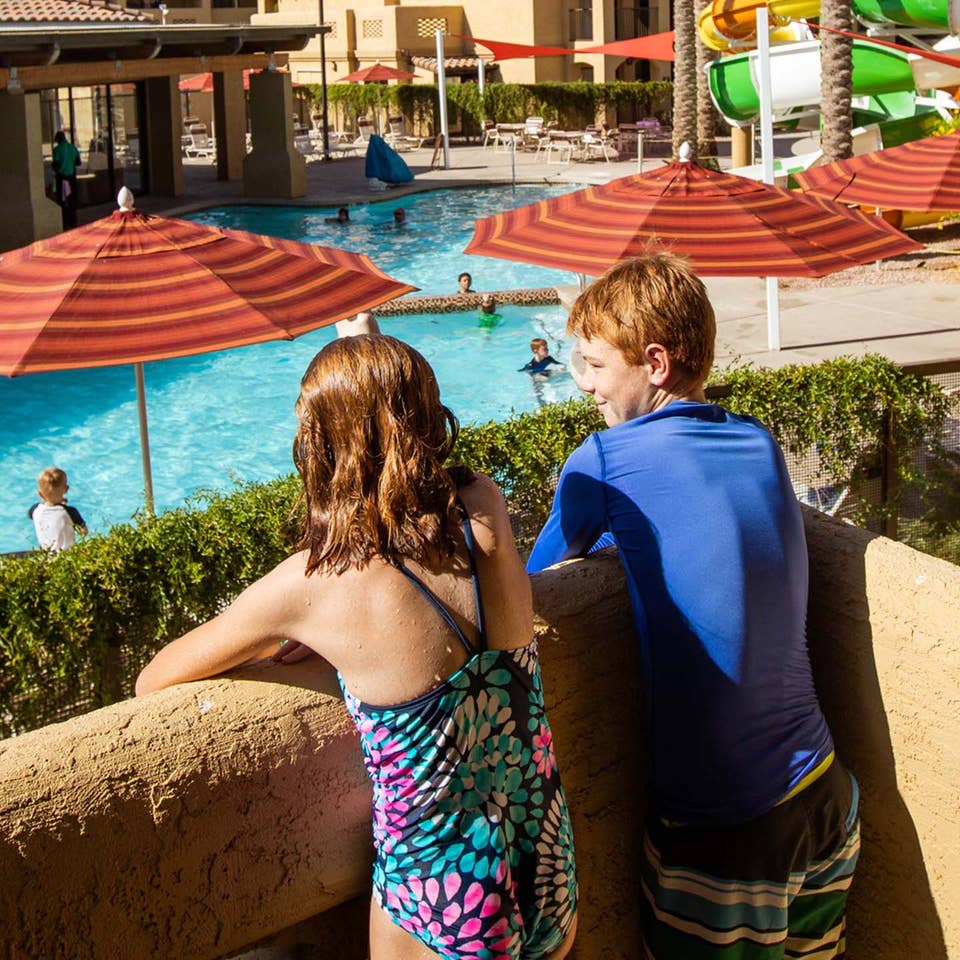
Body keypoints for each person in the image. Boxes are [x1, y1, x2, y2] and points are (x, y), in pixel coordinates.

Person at [136, 335, 579, 960]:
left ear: (322, 446)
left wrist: (309, 627)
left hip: (442, 892)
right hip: (546, 856)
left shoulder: (313, 585)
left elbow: (153, 680)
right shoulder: (484, 504)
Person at [526, 252, 859, 960]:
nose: (584, 383)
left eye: (594, 364)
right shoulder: (758, 441)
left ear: (655, 363)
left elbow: (532, 584)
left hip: (725, 830)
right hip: (825, 795)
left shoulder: (603, 460)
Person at [28, 466, 87, 552]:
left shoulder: (34, 510)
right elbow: (84, 532)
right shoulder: (70, 512)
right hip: (68, 555)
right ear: (66, 489)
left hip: (46, 555)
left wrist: (58, 505)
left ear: (40, 494)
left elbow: (50, 516)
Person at [51, 131, 81, 230]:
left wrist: (58, 167)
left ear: (58, 140)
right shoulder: (73, 148)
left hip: (62, 178)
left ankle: (65, 222)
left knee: (62, 201)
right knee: (72, 200)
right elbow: (78, 162)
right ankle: (73, 221)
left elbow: (55, 165)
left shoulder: (57, 149)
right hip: (71, 178)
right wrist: (70, 163)